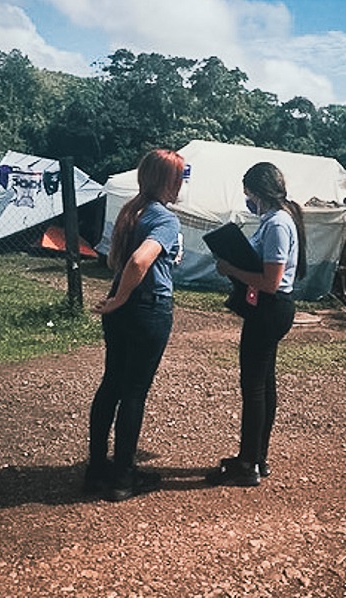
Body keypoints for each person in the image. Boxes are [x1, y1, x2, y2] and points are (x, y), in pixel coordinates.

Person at [84, 148, 184, 501]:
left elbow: (118, 258)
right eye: (177, 178)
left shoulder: (131, 210)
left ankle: (96, 469)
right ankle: (124, 476)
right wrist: (124, 297)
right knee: (134, 392)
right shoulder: (165, 218)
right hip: (147, 307)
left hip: (122, 311)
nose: (180, 185)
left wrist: (117, 300)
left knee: (111, 383)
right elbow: (140, 263)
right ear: (163, 180)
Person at [206, 162, 307, 487]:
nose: (246, 197)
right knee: (263, 384)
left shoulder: (278, 223)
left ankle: (248, 463)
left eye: (247, 191)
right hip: (269, 309)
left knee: (254, 387)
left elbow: (270, 281)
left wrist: (230, 269)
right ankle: (257, 458)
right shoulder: (275, 220)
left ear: (256, 190)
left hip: (269, 308)